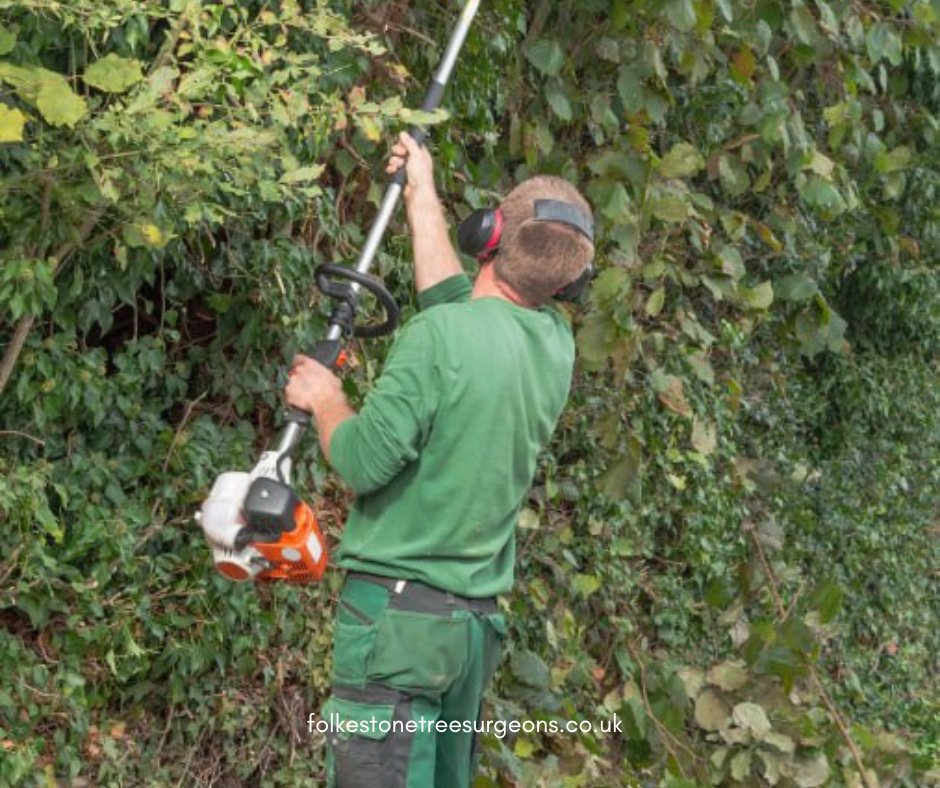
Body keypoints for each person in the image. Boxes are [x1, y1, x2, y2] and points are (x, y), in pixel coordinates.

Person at [285, 132, 594, 788]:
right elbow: (457, 307)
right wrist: (420, 191)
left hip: (396, 628)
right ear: (571, 281)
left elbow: (364, 463)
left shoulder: (441, 338)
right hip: (468, 633)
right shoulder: (553, 344)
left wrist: (324, 397)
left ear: (488, 233)